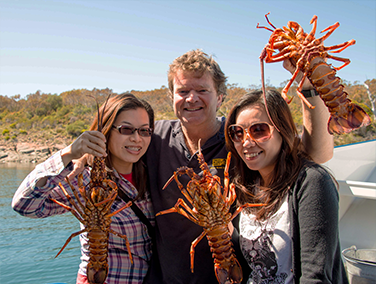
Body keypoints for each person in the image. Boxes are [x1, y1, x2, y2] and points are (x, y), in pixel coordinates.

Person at [143, 49, 334, 284]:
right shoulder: (152, 137)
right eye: (183, 91)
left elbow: (310, 156)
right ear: (171, 95)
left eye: (202, 90)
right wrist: (84, 153)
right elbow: (116, 145)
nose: (192, 98)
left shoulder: (240, 142)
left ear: (220, 96)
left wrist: (311, 87)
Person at [12, 93, 155, 284]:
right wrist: (68, 154)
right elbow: (25, 206)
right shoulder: (83, 180)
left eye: (144, 131)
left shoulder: (154, 173)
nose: (137, 138)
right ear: (105, 132)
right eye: (126, 129)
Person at [224, 89, 348, 283]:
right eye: (237, 133)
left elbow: (316, 276)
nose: (246, 143)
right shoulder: (243, 189)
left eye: (259, 130)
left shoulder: (312, 182)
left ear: (282, 129)